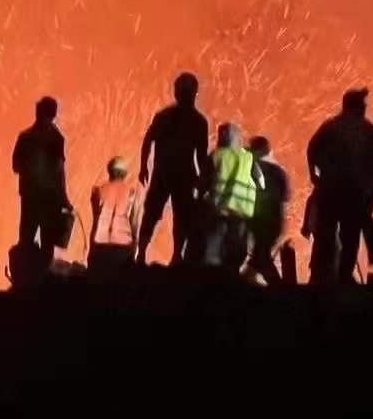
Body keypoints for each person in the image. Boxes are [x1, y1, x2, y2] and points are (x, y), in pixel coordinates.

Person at [306, 88, 373, 284]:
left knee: (327, 234)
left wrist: (313, 176)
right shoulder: (368, 130)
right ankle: (343, 277)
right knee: (350, 237)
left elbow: (311, 149)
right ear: (356, 105)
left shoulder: (331, 126)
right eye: (363, 103)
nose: (366, 106)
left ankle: (322, 277)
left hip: (330, 190)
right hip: (355, 193)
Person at [138, 72, 212, 265]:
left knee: (163, 215)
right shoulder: (197, 121)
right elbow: (202, 156)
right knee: (171, 216)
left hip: (167, 174)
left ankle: (150, 254)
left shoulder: (167, 117)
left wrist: (144, 166)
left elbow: (148, 141)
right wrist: (203, 179)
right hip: (177, 176)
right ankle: (165, 255)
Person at [11, 96, 70, 255]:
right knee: (47, 244)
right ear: (53, 114)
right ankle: (44, 277)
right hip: (51, 199)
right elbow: (59, 171)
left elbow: (15, 167)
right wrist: (64, 199)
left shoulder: (25, 137)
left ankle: (23, 275)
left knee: (26, 239)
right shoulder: (57, 138)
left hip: (30, 196)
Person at [204, 123, 261, 272]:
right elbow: (261, 182)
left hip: (220, 211)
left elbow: (202, 183)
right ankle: (233, 280)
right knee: (237, 252)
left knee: (213, 252)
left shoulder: (216, 155)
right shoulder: (248, 157)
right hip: (242, 213)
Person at [248, 136, 289, 284]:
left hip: (256, 221)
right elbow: (284, 201)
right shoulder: (279, 172)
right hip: (274, 222)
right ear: (268, 150)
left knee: (260, 257)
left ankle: (278, 289)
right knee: (261, 256)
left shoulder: (249, 168)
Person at [88, 156, 140, 272]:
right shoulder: (132, 194)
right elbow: (135, 223)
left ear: (109, 172)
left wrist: (91, 251)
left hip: (100, 244)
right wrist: (134, 247)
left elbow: (95, 222)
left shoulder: (97, 192)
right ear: (125, 174)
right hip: (123, 247)